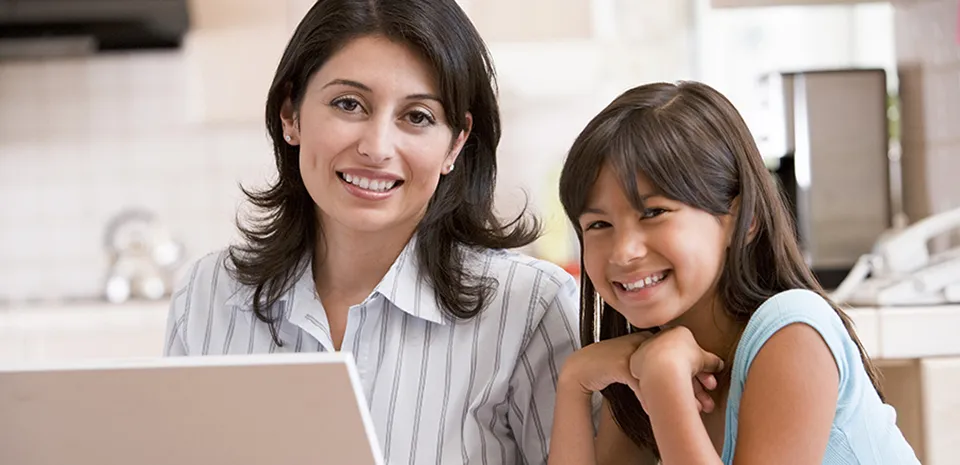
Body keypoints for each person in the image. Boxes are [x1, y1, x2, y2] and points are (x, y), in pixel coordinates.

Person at [162, 1, 580, 464]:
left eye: (417, 116)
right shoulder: (206, 294)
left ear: (455, 143)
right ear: (291, 113)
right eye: (349, 104)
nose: (377, 148)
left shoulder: (531, 309)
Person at [547, 81, 920, 464]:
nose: (624, 252)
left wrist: (665, 383)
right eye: (598, 225)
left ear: (742, 218)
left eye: (654, 212)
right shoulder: (647, 356)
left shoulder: (792, 331)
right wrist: (575, 382)